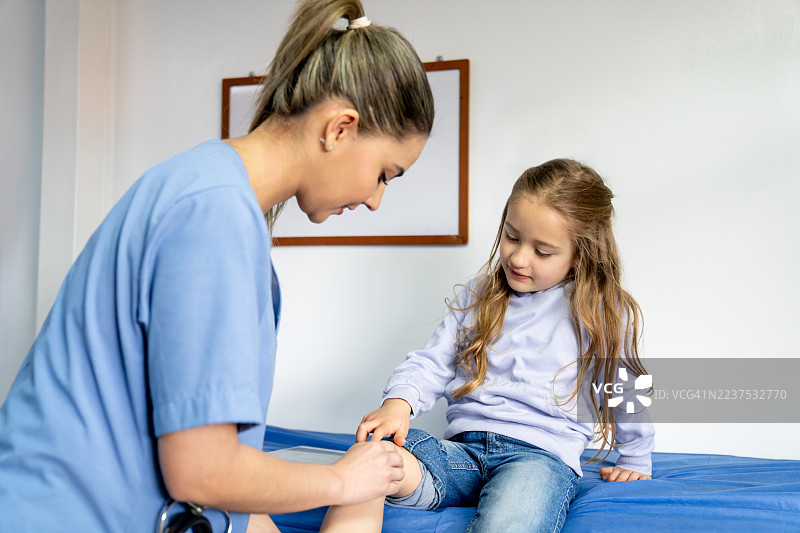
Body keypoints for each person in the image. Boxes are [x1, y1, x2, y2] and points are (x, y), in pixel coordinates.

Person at [0, 0, 434, 531]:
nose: (375, 200)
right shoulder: (214, 214)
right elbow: (202, 471)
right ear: (339, 129)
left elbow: (228, 483)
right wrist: (346, 482)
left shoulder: (216, 201)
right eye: (385, 173)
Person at [355, 159, 655, 533]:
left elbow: (624, 387)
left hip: (539, 459)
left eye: (542, 251)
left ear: (581, 253)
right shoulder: (480, 295)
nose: (518, 257)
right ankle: (421, 485)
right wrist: (397, 404)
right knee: (376, 453)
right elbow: (432, 362)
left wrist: (636, 459)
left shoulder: (600, 312)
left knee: (509, 523)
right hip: (462, 454)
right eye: (512, 236)